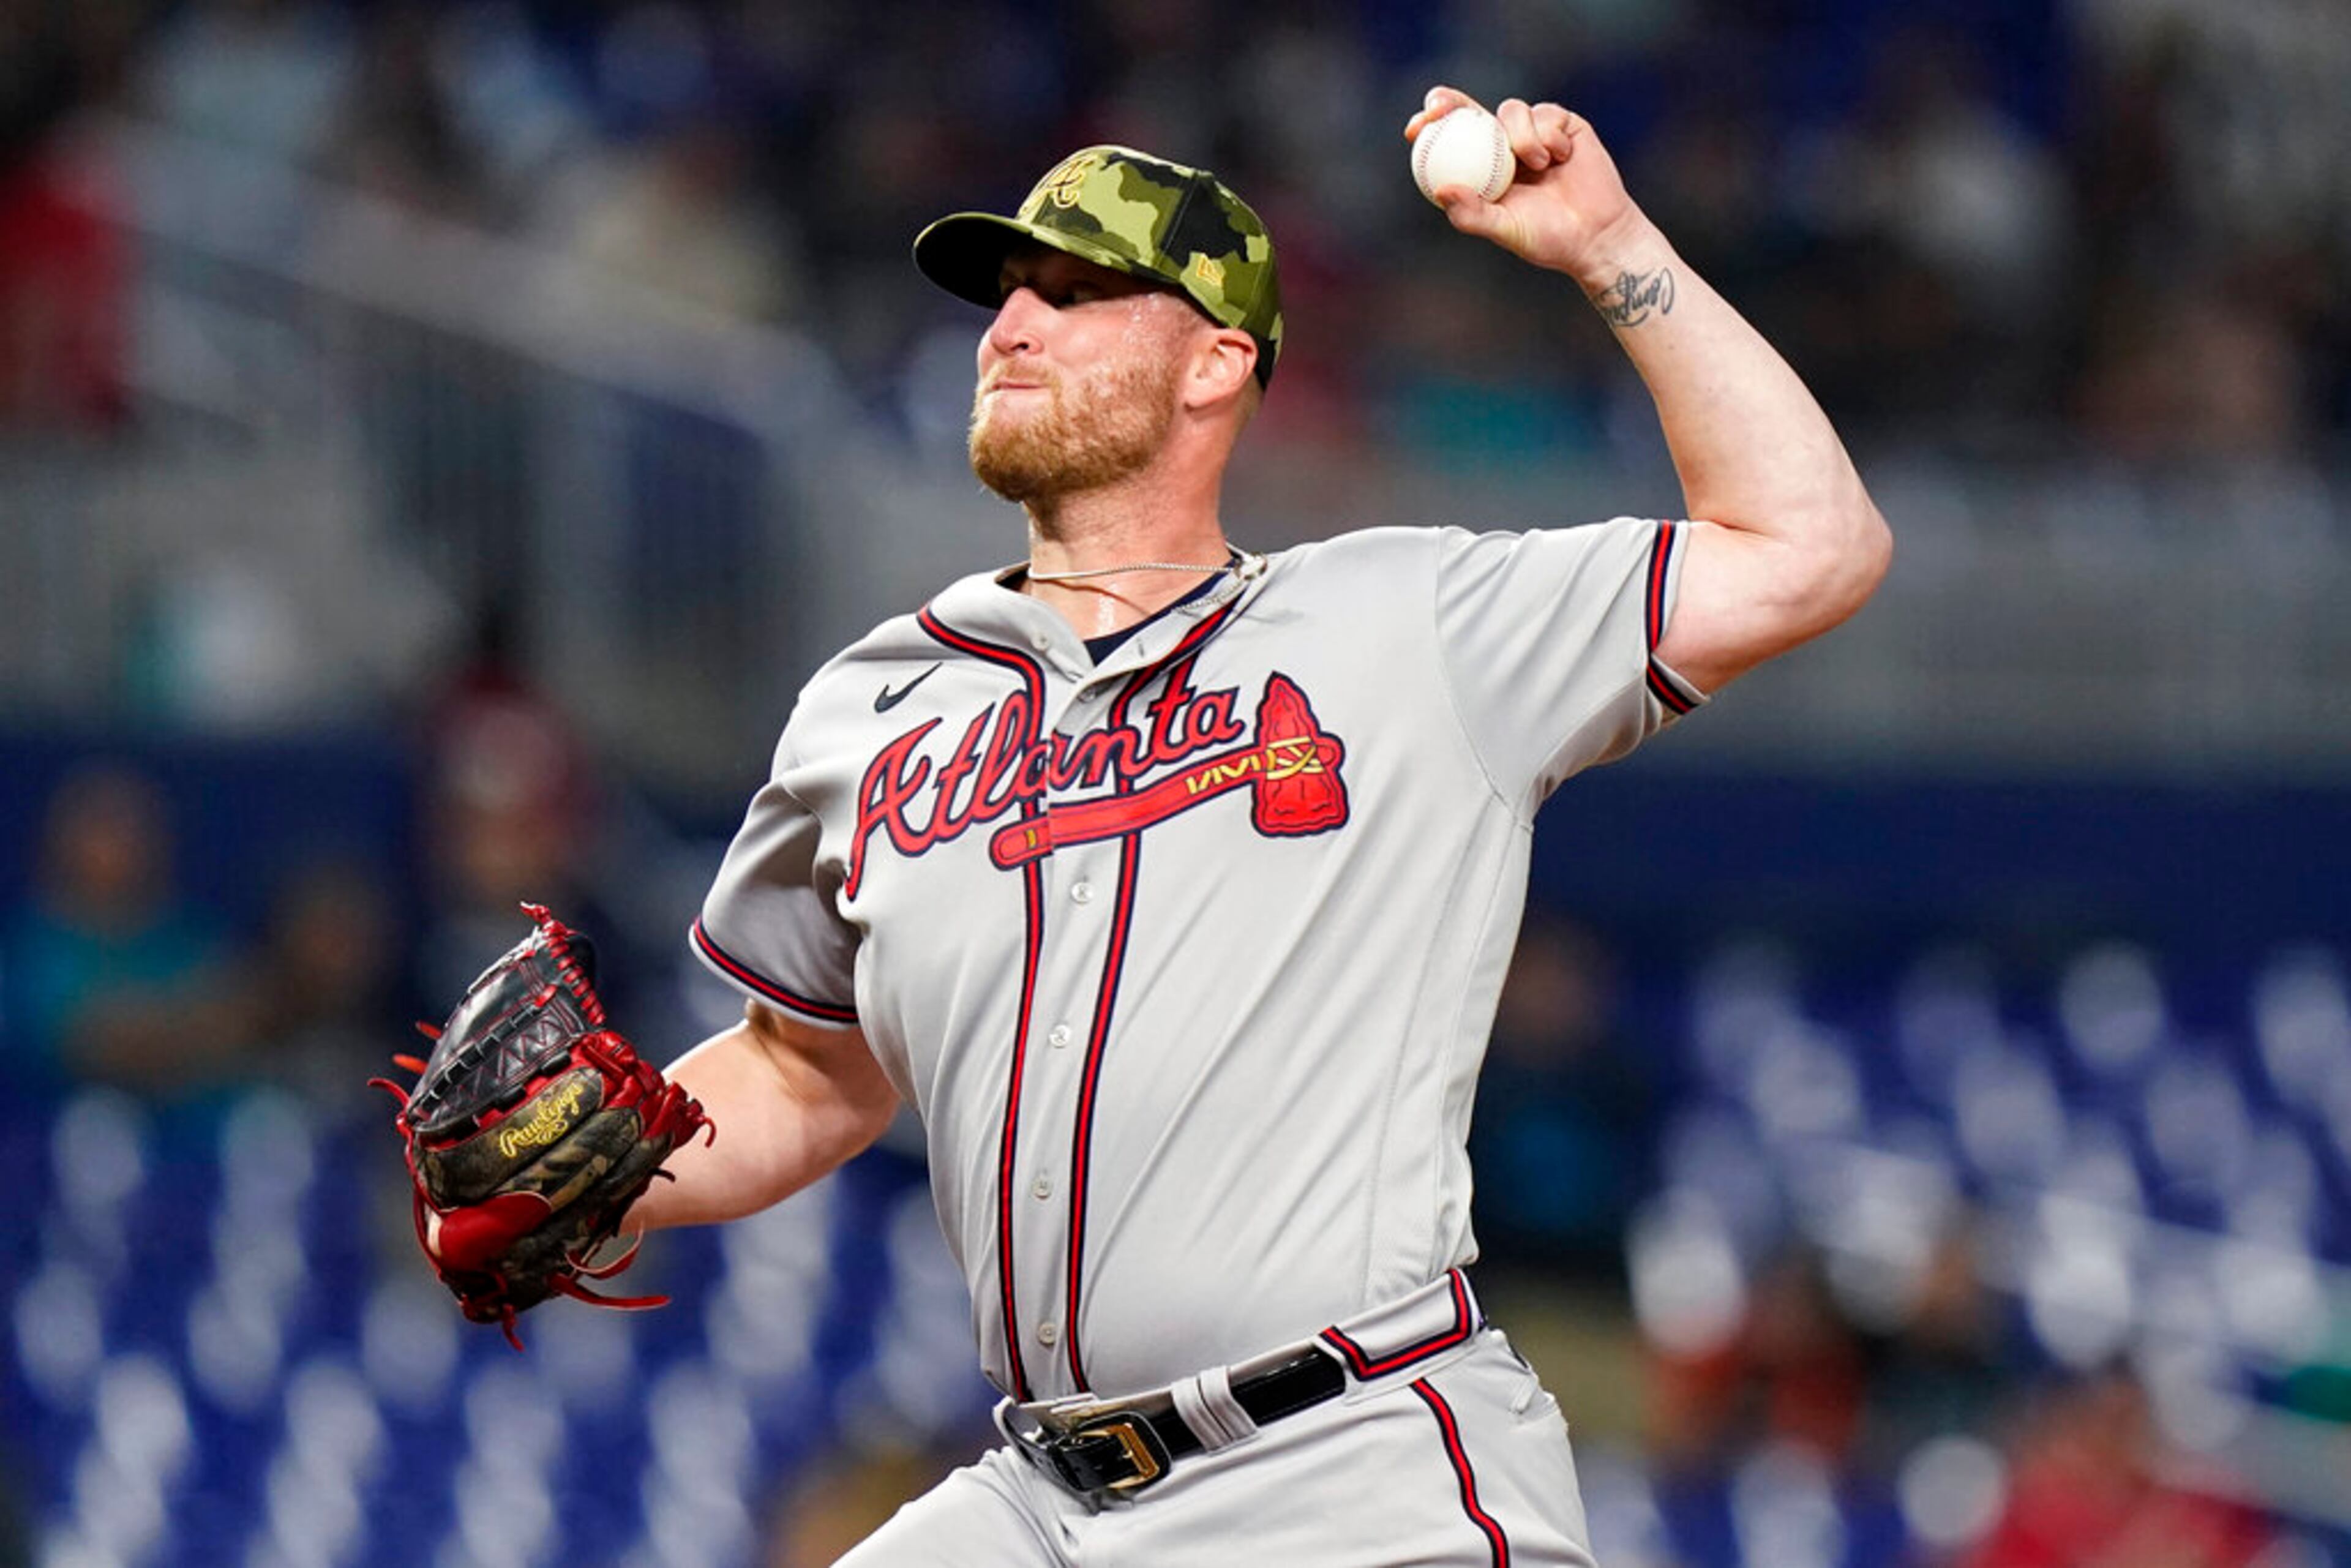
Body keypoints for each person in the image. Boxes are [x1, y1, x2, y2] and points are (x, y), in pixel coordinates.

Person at [629, 86, 1891, 1565]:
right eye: (1007, 292)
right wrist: (597, 1178)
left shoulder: (1406, 625)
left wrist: (1608, 243)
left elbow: (1811, 548)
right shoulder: (874, 706)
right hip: (1044, 1495)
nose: (1012, 325)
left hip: (1351, 1465)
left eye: (1080, 291)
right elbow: (805, 1074)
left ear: (1216, 363)